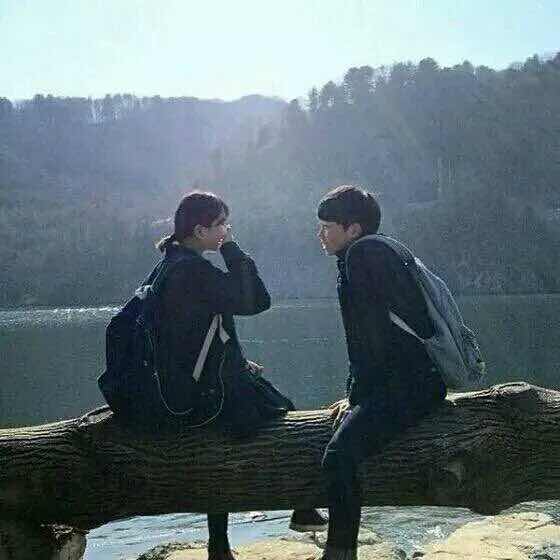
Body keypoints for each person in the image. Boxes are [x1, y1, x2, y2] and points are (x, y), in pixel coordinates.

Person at [152, 191, 326, 560]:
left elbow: (191, 335)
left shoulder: (171, 264)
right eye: (220, 225)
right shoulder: (193, 270)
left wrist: (237, 362)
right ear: (200, 230)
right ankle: (303, 504)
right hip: (207, 393)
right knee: (286, 413)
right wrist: (231, 249)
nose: (226, 230)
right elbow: (256, 299)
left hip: (183, 387)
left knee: (220, 453)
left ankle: (220, 546)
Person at [315, 185, 447, 560]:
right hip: (414, 380)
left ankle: (340, 553)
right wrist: (355, 397)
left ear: (353, 229)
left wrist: (358, 398)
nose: (320, 234)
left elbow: (371, 342)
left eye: (327, 226)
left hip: (409, 386)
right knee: (340, 449)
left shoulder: (361, 259)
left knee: (339, 457)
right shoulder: (375, 251)